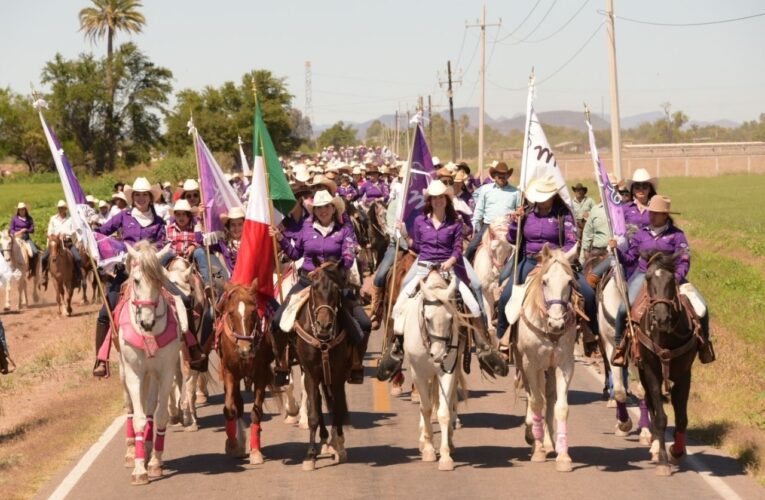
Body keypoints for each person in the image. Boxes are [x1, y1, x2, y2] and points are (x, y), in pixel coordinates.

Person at [378, 180, 506, 380]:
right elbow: (418, 246)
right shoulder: (420, 221)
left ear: (446, 200)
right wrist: (404, 233)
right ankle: (394, 347)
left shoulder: (455, 223)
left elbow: (457, 247)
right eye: (434, 198)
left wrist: (452, 260)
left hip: (450, 267)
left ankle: (484, 346)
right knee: (401, 295)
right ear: (430, 200)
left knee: (473, 299)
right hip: (424, 266)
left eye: (441, 197)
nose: (438, 201)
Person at [92, 177, 204, 377]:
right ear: (132, 197)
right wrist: (92, 240)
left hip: (153, 271)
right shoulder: (123, 217)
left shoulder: (159, 222)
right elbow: (101, 233)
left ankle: (192, 346)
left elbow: (162, 245)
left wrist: (152, 259)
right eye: (138, 195)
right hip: (128, 271)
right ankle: (101, 359)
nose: (141, 198)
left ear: (150, 198)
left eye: (145, 195)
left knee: (185, 299)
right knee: (104, 312)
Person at [269, 190, 370, 386]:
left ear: (333, 208)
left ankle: (355, 363)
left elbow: (348, 257)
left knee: (364, 324)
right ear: (314, 210)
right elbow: (295, 253)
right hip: (307, 281)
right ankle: (283, 363)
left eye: (326, 206)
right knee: (277, 320)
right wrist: (280, 238)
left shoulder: (345, 230)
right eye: (319, 208)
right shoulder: (306, 229)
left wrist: (332, 270)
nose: (323, 210)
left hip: (335, 284)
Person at [608, 195, 714, 364]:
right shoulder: (641, 234)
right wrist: (618, 252)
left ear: (665, 215)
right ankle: (619, 346)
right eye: (651, 212)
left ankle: (704, 344)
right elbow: (630, 258)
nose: (652, 216)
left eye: (656, 213)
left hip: (671, 277)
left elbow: (685, 259)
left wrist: (676, 278)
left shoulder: (677, 235)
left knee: (701, 307)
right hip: (644, 275)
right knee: (622, 310)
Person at [495, 175, 599, 342]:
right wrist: (516, 222)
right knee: (505, 297)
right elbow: (511, 238)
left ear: (553, 196)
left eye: (546, 197)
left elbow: (571, 241)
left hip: (558, 263)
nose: (542, 201)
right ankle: (502, 338)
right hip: (530, 261)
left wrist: (556, 258)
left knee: (588, 293)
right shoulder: (527, 213)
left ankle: (592, 334)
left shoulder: (563, 214)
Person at [588, 168, 658, 286]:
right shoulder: (624, 209)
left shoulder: (656, 209)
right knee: (591, 279)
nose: (641, 189)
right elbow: (618, 231)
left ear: (650, 188)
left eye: (645, 186)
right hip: (626, 254)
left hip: (650, 255)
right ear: (632, 189)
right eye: (637, 186)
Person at [466, 161, 520, 262]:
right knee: (471, 248)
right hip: (488, 226)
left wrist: (516, 215)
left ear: (508, 175)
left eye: (504, 174)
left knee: (519, 252)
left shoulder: (516, 192)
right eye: (499, 174)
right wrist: (475, 228)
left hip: (507, 226)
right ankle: (465, 273)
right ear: (494, 175)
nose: (501, 176)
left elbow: (518, 210)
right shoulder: (486, 189)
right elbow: (479, 210)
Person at [41, 201, 81, 289]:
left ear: (65, 209)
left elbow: (74, 230)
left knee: (78, 258)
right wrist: (52, 235)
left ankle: (78, 276)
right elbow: (49, 230)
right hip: (55, 243)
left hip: (67, 242)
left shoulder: (70, 219)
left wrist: (65, 233)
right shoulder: (53, 218)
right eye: (59, 208)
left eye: (62, 208)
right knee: (44, 257)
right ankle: (44, 275)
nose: (60, 209)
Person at [10, 202, 39, 269]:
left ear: (25, 210)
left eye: (23, 209)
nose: (21, 211)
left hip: (26, 239)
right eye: (20, 209)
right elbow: (11, 229)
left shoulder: (29, 218)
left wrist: (26, 230)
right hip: (16, 239)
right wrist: (17, 232)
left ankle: (31, 267)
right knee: (6, 250)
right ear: (18, 210)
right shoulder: (14, 218)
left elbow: (32, 229)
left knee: (35, 252)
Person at [218, 206, 245, 274]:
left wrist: (275, 234)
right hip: (234, 282)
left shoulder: (251, 242)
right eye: (233, 225)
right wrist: (199, 218)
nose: (237, 228)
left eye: (240, 224)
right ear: (228, 226)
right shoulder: (223, 244)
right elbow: (201, 240)